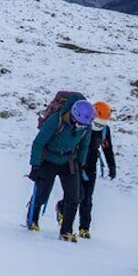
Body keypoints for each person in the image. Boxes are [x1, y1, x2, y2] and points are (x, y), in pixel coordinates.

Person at [27, 96, 94, 242]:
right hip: (49, 160)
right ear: (73, 115)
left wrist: (81, 164)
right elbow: (38, 142)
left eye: (84, 125)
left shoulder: (86, 126)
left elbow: (84, 146)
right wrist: (35, 166)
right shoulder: (55, 120)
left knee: (74, 197)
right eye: (80, 123)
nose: (82, 126)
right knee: (42, 192)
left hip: (68, 161)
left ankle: (66, 231)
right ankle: (32, 219)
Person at [55, 101, 117, 239]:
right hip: (76, 163)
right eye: (98, 122)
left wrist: (112, 166)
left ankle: (84, 228)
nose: (100, 125)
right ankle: (62, 207)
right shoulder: (83, 125)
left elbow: (108, 148)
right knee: (78, 194)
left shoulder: (105, 131)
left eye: (103, 123)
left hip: (91, 166)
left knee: (88, 197)